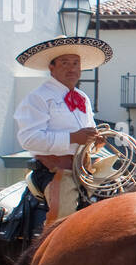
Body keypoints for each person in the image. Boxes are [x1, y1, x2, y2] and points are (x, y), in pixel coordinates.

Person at [14, 34, 113, 222]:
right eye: (65, 63)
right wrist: (72, 138)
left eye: (75, 63)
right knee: (65, 218)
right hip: (54, 172)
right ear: (52, 67)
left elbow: (86, 136)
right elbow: (28, 139)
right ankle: (51, 249)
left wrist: (96, 141)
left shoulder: (82, 98)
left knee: (120, 196)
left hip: (85, 170)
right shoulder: (38, 97)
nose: (72, 68)